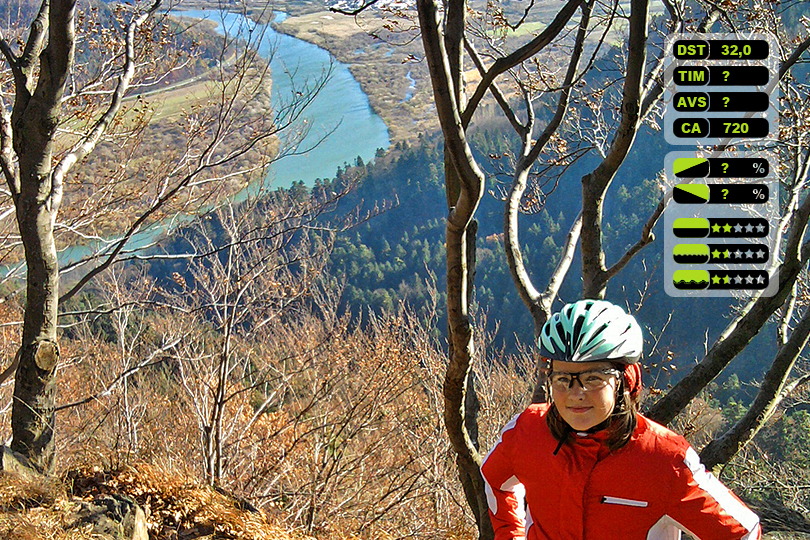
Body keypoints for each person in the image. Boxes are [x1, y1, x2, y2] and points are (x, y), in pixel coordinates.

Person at [481, 299, 761, 540]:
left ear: (626, 381)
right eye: (563, 379)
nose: (575, 394)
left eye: (593, 379)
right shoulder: (527, 431)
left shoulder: (663, 458)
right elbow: (495, 479)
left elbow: (743, 531)